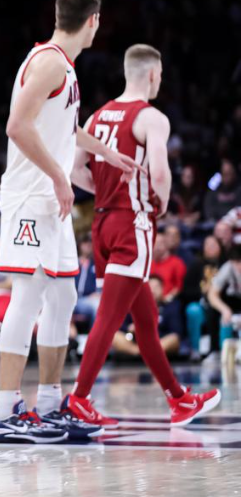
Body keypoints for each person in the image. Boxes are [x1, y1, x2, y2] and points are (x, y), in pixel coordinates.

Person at [0, 0, 138, 444]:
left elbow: (64, 127)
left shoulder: (63, 67)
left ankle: (50, 404)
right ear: (93, 21)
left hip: (50, 200)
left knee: (63, 298)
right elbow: (17, 125)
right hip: (30, 198)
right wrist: (58, 176)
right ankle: (6, 409)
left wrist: (106, 154)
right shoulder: (50, 61)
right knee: (28, 296)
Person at [65, 43, 220, 429]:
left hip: (101, 224)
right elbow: (161, 173)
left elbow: (73, 170)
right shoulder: (152, 117)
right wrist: (160, 204)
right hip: (132, 222)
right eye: (161, 75)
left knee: (145, 319)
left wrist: (105, 192)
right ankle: (79, 399)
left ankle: (179, 399)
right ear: (152, 74)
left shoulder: (100, 115)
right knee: (110, 317)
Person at [113, 276, 183, 359]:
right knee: (115, 336)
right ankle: (140, 353)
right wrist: (130, 328)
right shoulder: (133, 306)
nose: (153, 290)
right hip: (135, 343)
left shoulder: (170, 307)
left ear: (163, 289)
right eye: (150, 286)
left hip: (159, 342)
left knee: (173, 339)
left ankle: (148, 353)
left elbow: (176, 332)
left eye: (156, 287)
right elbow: (121, 328)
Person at [206, 245, 241, 367]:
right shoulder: (227, 268)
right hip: (232, 301)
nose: (239, 266)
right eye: (237, 262)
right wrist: (225, 309)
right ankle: (215, 350)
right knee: (212, 310)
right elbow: (212, 295)